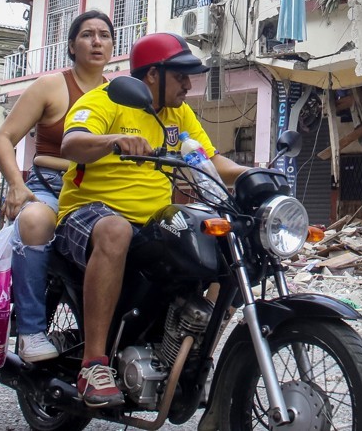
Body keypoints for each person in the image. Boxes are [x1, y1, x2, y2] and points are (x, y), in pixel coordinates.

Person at [56, 32, 249, 407]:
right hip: (89, 213)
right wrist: (113, 140)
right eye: (180, 76)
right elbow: (71, 144)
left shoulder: (179, 114)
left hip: (152, 221)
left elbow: (208, 160)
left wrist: (253, 175)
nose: (188, 85)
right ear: (152, 76)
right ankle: (92, 364)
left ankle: (191, 354)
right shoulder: (106, 99)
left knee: (226, 242)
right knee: (115, 230)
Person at [0, 10, 114, 363]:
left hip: (101, 189)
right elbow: (3, 138)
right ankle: (30, 330)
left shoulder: (118, 92)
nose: (96, 41)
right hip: (51, 185)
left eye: (104, 35)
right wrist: (16, 184)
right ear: (72, 46)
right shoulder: (51, 86)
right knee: (33, 222)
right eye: (87, 34)